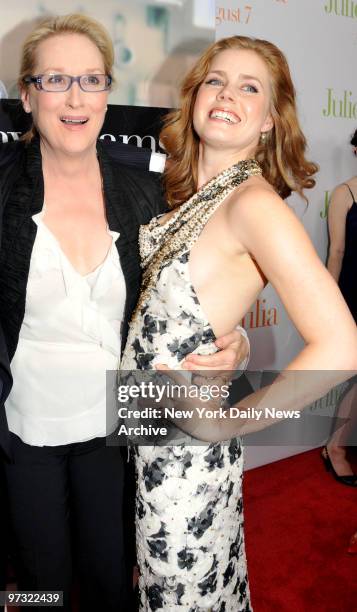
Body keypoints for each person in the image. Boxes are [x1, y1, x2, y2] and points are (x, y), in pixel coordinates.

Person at [0, 14, 248, 612]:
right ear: (28, 94)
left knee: (114, 578)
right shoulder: (4, 190)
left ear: (109, 93)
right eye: (56, 79)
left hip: (117, 426)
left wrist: (233, 336)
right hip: (24, 428)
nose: (76, 97)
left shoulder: (148, 192)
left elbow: (192, 284)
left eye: (92, 79)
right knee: (43, 587)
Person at [120, 36, 357, 611]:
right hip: (149, 433)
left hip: (186, 461)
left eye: (250, 87)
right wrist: (240, 344)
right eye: (216, 80)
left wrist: (234, 424)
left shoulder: (254, 204)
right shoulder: (192, 195)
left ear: (271, 120)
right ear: (195, 94)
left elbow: (342, 345)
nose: (228, 94)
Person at [321, 128, 357, 486]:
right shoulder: (343, 194)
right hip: (351, 293)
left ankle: (338, 445)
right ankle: (336, 448)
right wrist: (326, 308)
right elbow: (336, 252)